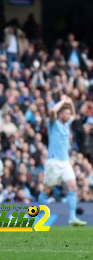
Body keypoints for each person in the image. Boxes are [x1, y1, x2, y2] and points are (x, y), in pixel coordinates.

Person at [38, 95, 87, 226]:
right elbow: (52, 111)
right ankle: (40, 218)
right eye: (66, 113)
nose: (69, 115)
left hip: (65, 162)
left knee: (73, 187)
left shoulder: (66, 124)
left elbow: (74, 115)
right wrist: (63, 101)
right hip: (53, 162)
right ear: (61, 114)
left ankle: (72, 218)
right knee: (46, 190)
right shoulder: (53, 124)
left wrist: (70, 103)